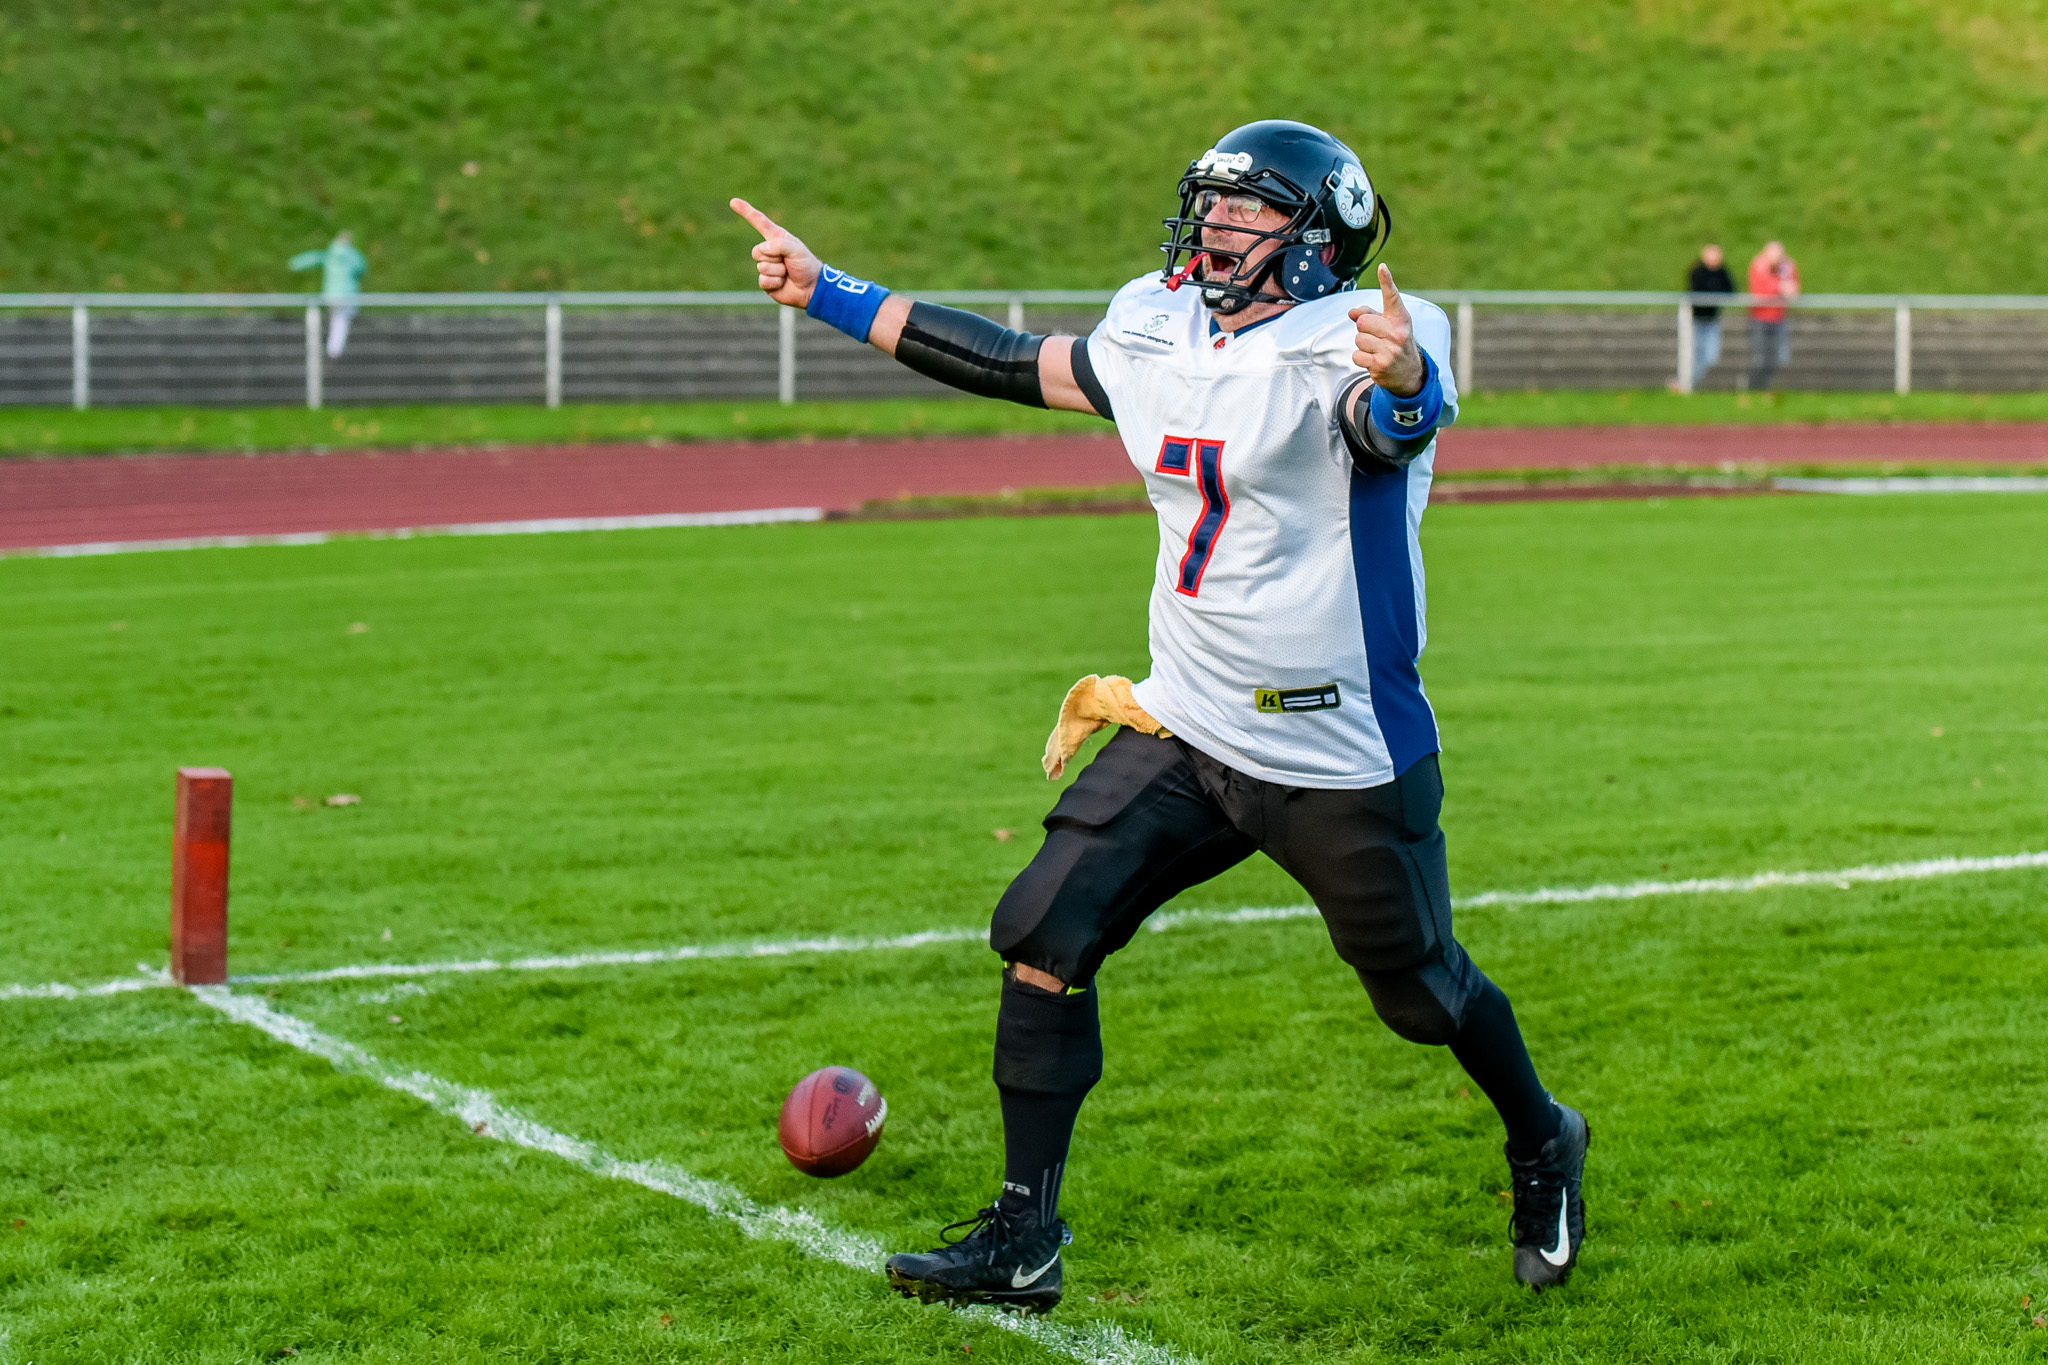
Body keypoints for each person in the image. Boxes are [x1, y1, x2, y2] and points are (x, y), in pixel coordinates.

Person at [731, 118, 1589, 1313]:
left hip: (1332, 748)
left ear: (1320, 237)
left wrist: (1406, 382)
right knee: (1040, 932)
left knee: (1421, 992)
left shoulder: (1367, 337)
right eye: (1212, 204)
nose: (1218, 227)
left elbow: (1389, 423)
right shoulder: (1158, 318)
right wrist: (828, 291)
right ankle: (1024, 1239)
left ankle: (1543, 1137)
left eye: (1251, 210)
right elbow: (1013, 361)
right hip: (1185, 722)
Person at [289, 230, 368, 358]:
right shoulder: (351, 255)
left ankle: (331, 350)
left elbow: (313, 257)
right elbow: (361, 267)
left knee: (336, 319)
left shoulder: (330, 253)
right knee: (341, 320)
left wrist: (295, 263)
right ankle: (334, 352)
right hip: (346, 296)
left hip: (330, 295)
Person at [1746, 240, 1799, 390]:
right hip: (1759, 318)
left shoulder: (1787, 266)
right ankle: (1755, 387)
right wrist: (1779, 287)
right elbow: (1759, 291)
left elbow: (1794, 288)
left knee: (1778, 357)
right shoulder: (1759, 265)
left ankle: (1767, 386)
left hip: (1779, 317)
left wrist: (1786, 289)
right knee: (1760, 356)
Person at [1684, 244, 1734, 385]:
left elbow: (1730, 290)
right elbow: (1698, 291)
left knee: (1711, 356)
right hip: (1696, 319)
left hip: (1712, 320)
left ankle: (1692, 382)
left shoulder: (1722, 271)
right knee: (1696, 354)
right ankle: (1688, 383)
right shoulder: (1697, 271)